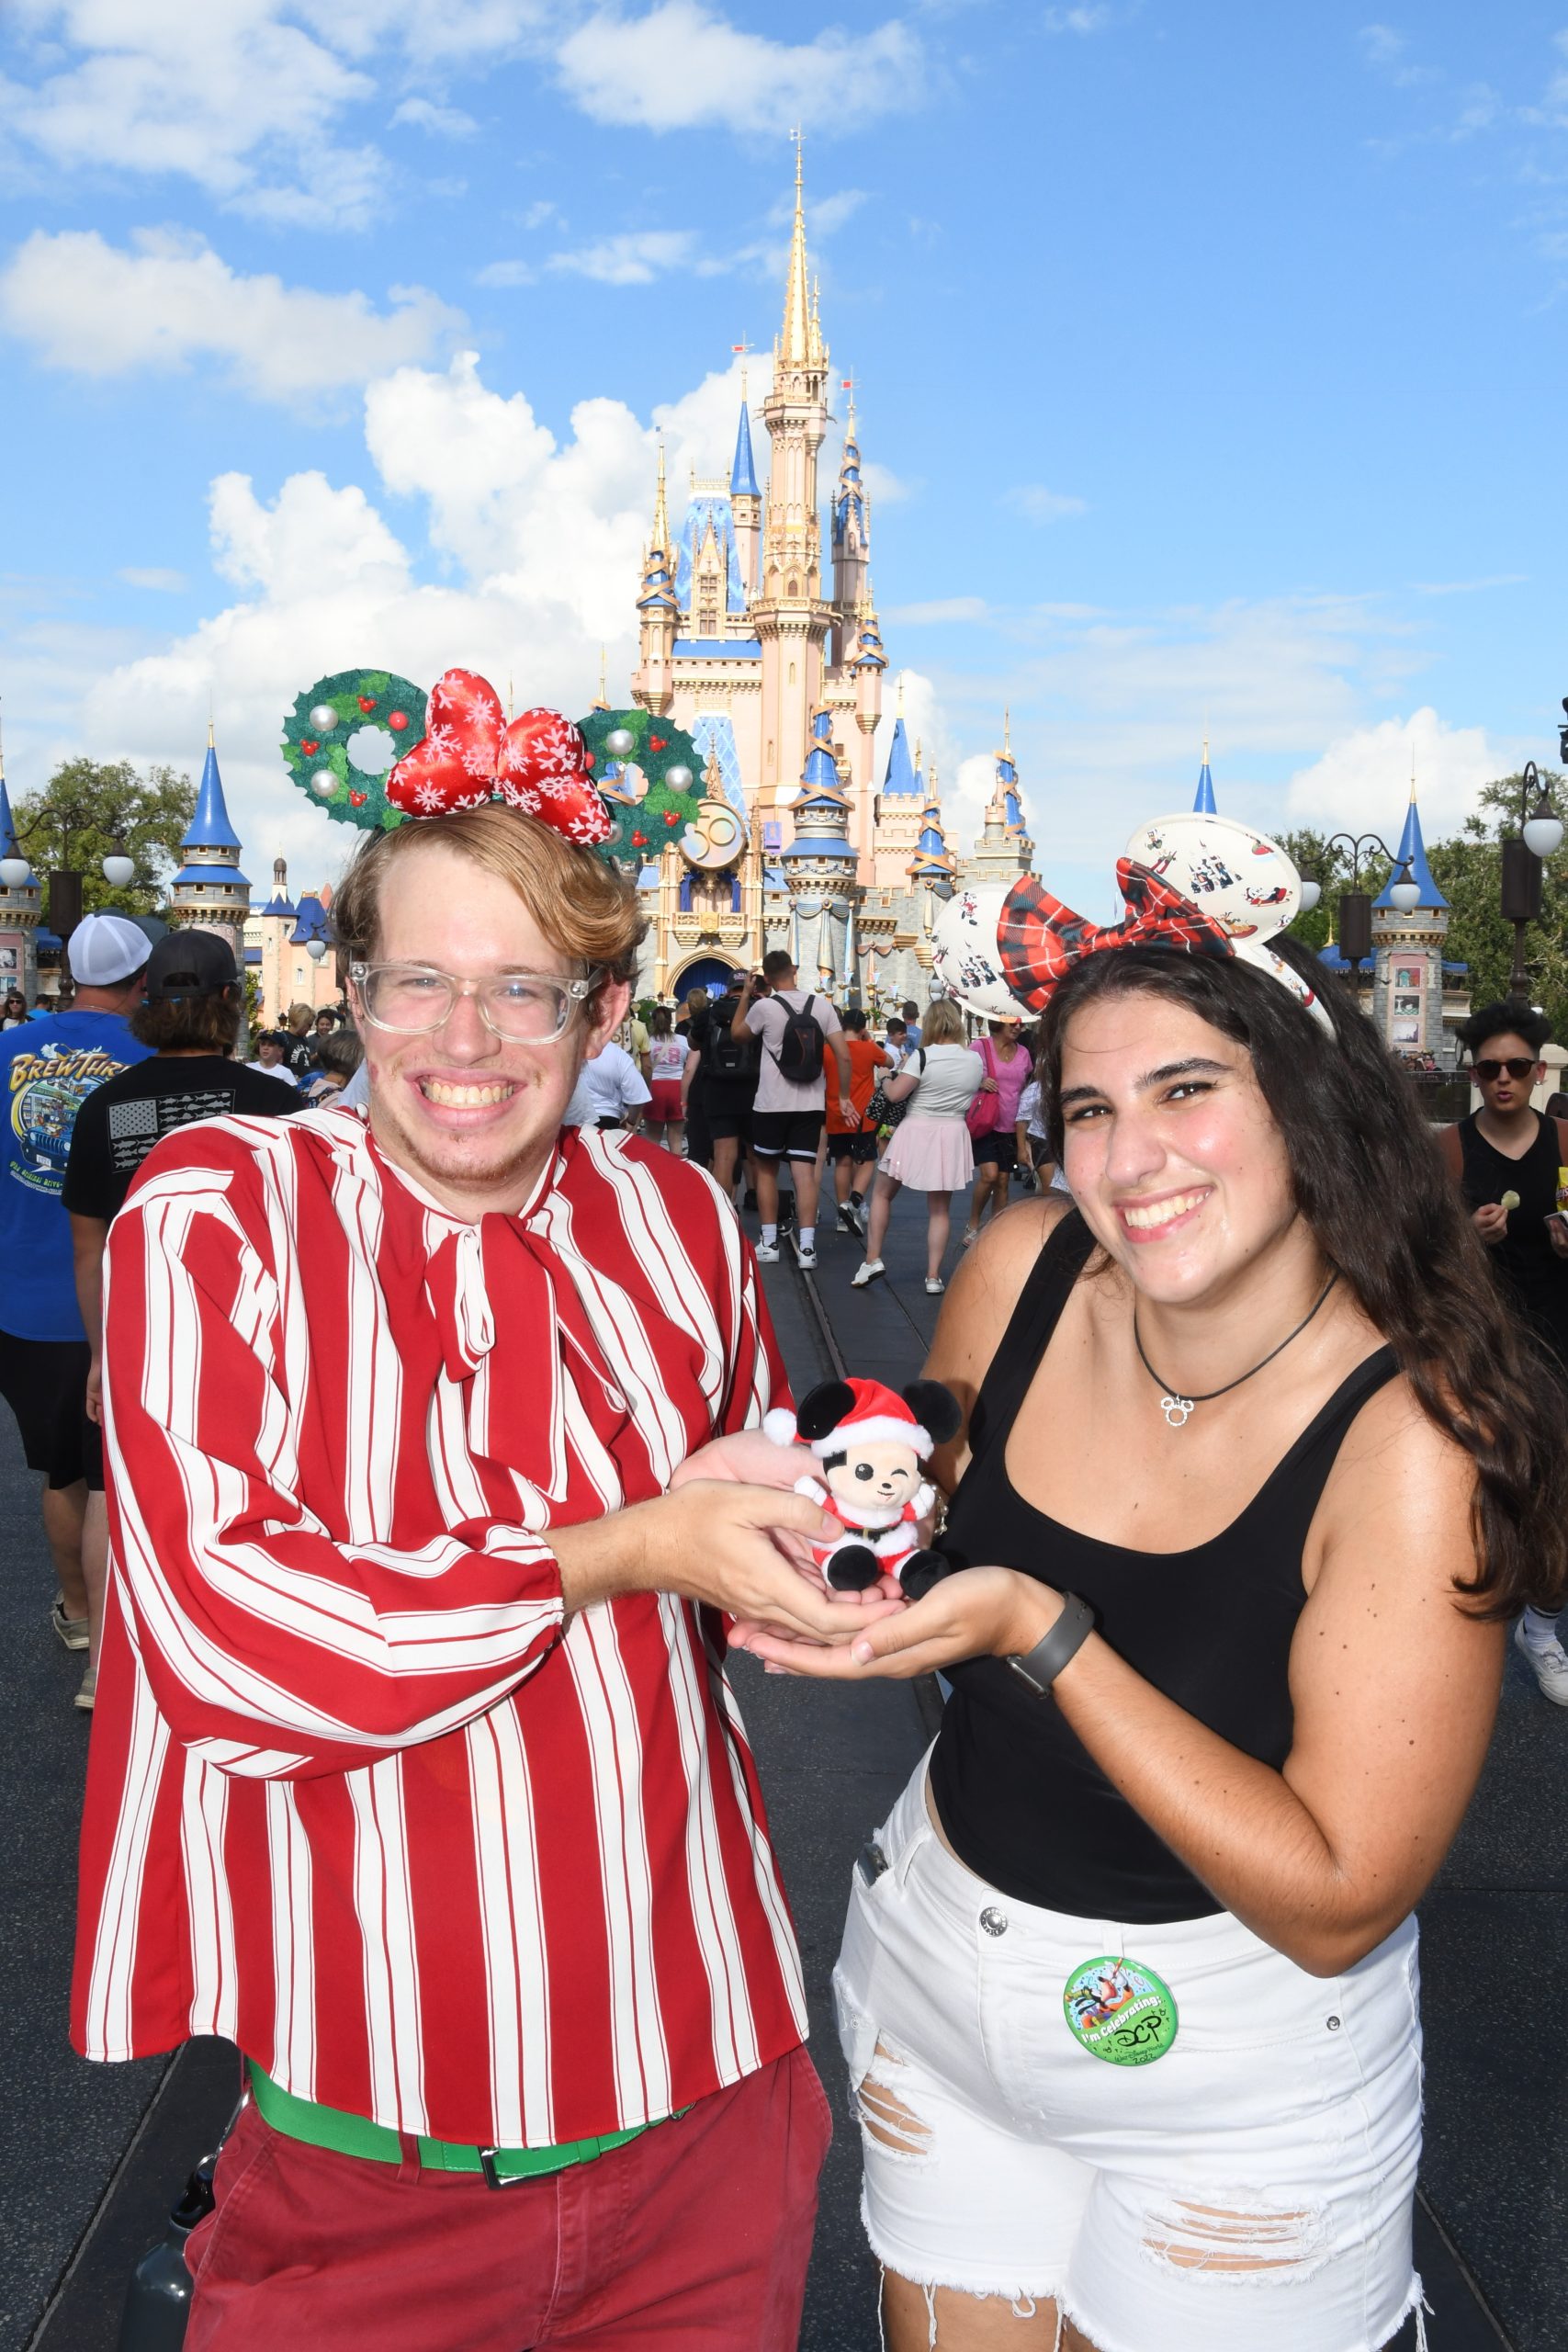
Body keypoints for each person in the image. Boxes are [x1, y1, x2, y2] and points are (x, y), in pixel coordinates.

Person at [737, 830, 1562, 2352]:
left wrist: (1040, 1630)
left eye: (1188, 1092)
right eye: (1089, 1110)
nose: (1127, 1161)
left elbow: (1332, 1898)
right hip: (937, 1978)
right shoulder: (1026, 1262)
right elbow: (904, 1492)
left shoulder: (1412, 1442)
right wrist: (800, 1501)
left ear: (1305, 1107)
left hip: (1235, 2077)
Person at [71, 794, 875, 2352]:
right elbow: (238, 1657)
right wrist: (624, 1544)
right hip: (368, 2172)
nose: (468, 1037)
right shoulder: (220, 1217)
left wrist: (819, 1557)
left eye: (523, 988)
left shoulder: (681, 1219)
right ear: (350, 993)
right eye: (416, 982)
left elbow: (724, 1562)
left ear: (603, 1014)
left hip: (710, 2112)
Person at [62, 930, 298, 1707]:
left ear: (150, 1006)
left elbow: (90, 1250)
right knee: (255, 1487)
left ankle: (103, 1663)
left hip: (143, 1329)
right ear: (230, 1002)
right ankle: (255, 1648)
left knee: (112, 1488)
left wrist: (100, 1354)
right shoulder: (278, 1105)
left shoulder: (106, 1108)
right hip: (256, 1334)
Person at [0, 912, 152, 1705]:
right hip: (126, 1292)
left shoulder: (4, 1051)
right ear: (141, 981)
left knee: (62, 1470)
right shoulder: (144, 1067)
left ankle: (79, 1611)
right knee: (114, 1474)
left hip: (25, 1295)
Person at [1437, 999, 1568, 1704]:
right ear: (1475, 1075)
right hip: (1481, 1351)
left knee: (1561, 1506)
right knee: (1473, 1504)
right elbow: (1415, 1260)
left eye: (1516, 1066)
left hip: (1560, 1347)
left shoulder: (1566, 1144)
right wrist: (1465, 1242)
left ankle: (1541, 1630)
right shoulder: (1448, 1152)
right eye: (1489, 1069)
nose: (1503, 1079)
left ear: (1538, 1071)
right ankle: (1459, 1642)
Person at [732, 948, 852, 1272]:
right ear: (793, 971)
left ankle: (769, 1242)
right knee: (805, 1176)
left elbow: (737, 1035)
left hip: (771, 1104)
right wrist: (842, 1096)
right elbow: (843, 1055)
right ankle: (809, 1249)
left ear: (767, 980)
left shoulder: (765, 1006)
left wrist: (746, 996)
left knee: (767, 1171)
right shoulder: (822, 1006)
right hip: (810, 1105)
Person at [852, 995, 982, 1295]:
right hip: (952, 1132)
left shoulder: (922, 1057)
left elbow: (896, 1095)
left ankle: (872, 1259)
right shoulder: (974, 1059)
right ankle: (934, 1276)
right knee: (940, 1210)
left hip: (916, 1130)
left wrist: (885, 1078)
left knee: (882, 1193)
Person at [685, 973, 759, 1202]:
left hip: (718, 1091)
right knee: (761, 1158)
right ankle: (767, 1222)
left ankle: (722, 1214)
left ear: (728, 989)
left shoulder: (711, 1013)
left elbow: (693, 1044)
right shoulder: (759, 1011)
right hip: (754, 1092)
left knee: (724, 1157)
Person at [963, 1014, 1032, 1245]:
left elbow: (1025, 1086)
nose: (1018, 1028)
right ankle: (973, 1224)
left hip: (1012, 1125)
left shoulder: (1023, 1053)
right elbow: (961, 1077)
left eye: (1021, 1025)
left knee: (1003, 1180)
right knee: (989, 1175)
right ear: (999, 1022)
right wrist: (979, 1082)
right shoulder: (979, 1047)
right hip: (986, 1122)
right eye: (1013, 1024)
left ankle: (995, 1231)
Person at [828, 1007, 891, 1238]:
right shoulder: (868, 1049)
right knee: (866, 1161)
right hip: (863, 1116)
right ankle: (855, 1200)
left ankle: (841, 1212)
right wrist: (869, 1041)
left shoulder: (829, 1049)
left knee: (842, 1163)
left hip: (836, 1113)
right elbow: (891, 1062)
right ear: (863, 1028)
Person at [563, 1031, 652, 1132]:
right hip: (608, 1120)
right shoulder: (617, 1054)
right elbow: (637, 1095)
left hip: (571, 1121)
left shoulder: (563, 1050)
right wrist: (631, 1122)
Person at [644, 1004, 690, 1154]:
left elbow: (645, 1067)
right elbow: (688, 1066)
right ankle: (676, 1173)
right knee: (676, 1140)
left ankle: (652, 1172)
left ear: (653, 1021)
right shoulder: (683, 1040)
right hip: (677, 1088)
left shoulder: (648, 1041)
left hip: (655, 1088)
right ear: (671, 1021)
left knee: (652, 1139)